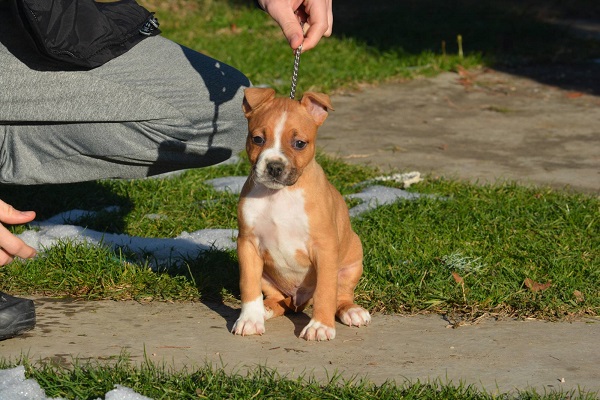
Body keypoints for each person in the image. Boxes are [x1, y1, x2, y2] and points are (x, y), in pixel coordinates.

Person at [0, 0, 333, 340]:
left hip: (56, 22)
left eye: (298, 145)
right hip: (33, 32)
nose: (273, 158)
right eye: (260, 140)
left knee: (223, 113)